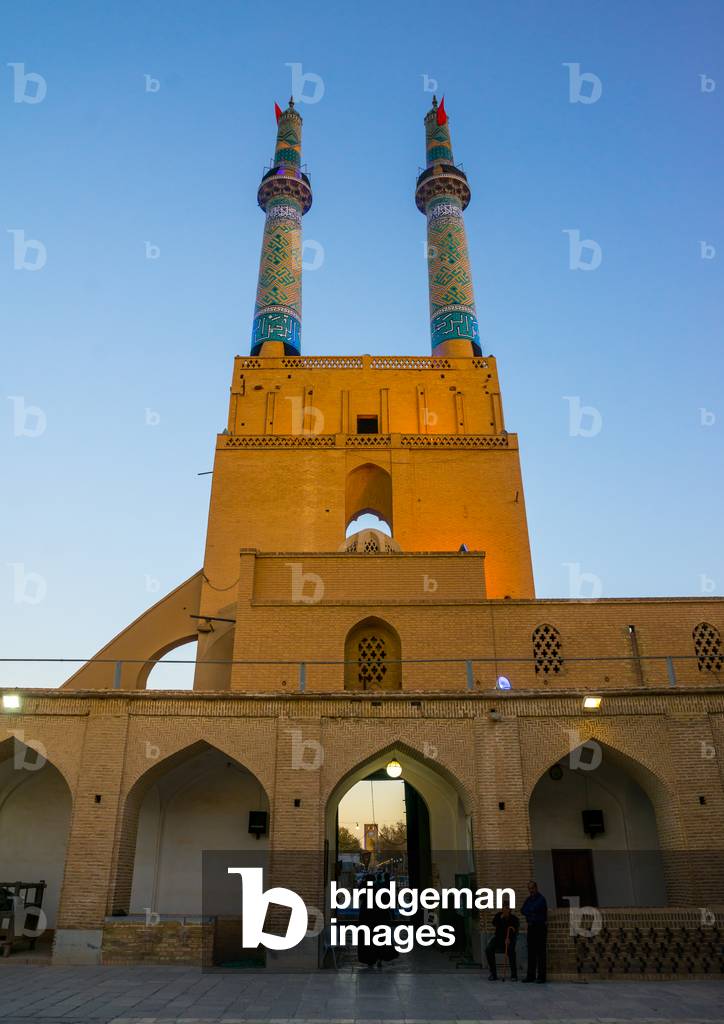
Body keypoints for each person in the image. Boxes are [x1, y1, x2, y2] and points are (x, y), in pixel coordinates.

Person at [357, 875, 399, 970]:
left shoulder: (364, 890)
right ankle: (380, 958)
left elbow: (359, 895)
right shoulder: (379, 889)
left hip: (366, 919)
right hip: (379, 920)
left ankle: (370, 960)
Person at [521, 880, 547, 983]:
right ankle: (530, 976)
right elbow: (523, 910)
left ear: (536, 888)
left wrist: (530, 912)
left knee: (540, 953)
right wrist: (531, 912)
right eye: (529, 889)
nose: (530, 890)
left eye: (532, 888)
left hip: (540, 927)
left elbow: (533, 909)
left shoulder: (541, 899)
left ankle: (541, 977)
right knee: (531, 952)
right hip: (531, 928)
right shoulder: (528, 899)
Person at [485, 905, 519, 980]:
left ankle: (514, 975)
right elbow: (494, 923)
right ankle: (493, 974)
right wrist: (501, 918)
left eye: (507, 909)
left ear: (510, 910)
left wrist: (509, 938)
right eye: (504, 908)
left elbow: (515, 931)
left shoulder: (514, 919)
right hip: (498, 939)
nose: (505, 910)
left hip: (509, 940)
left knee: (511, 951)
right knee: (488, 949)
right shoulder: (498, 916)